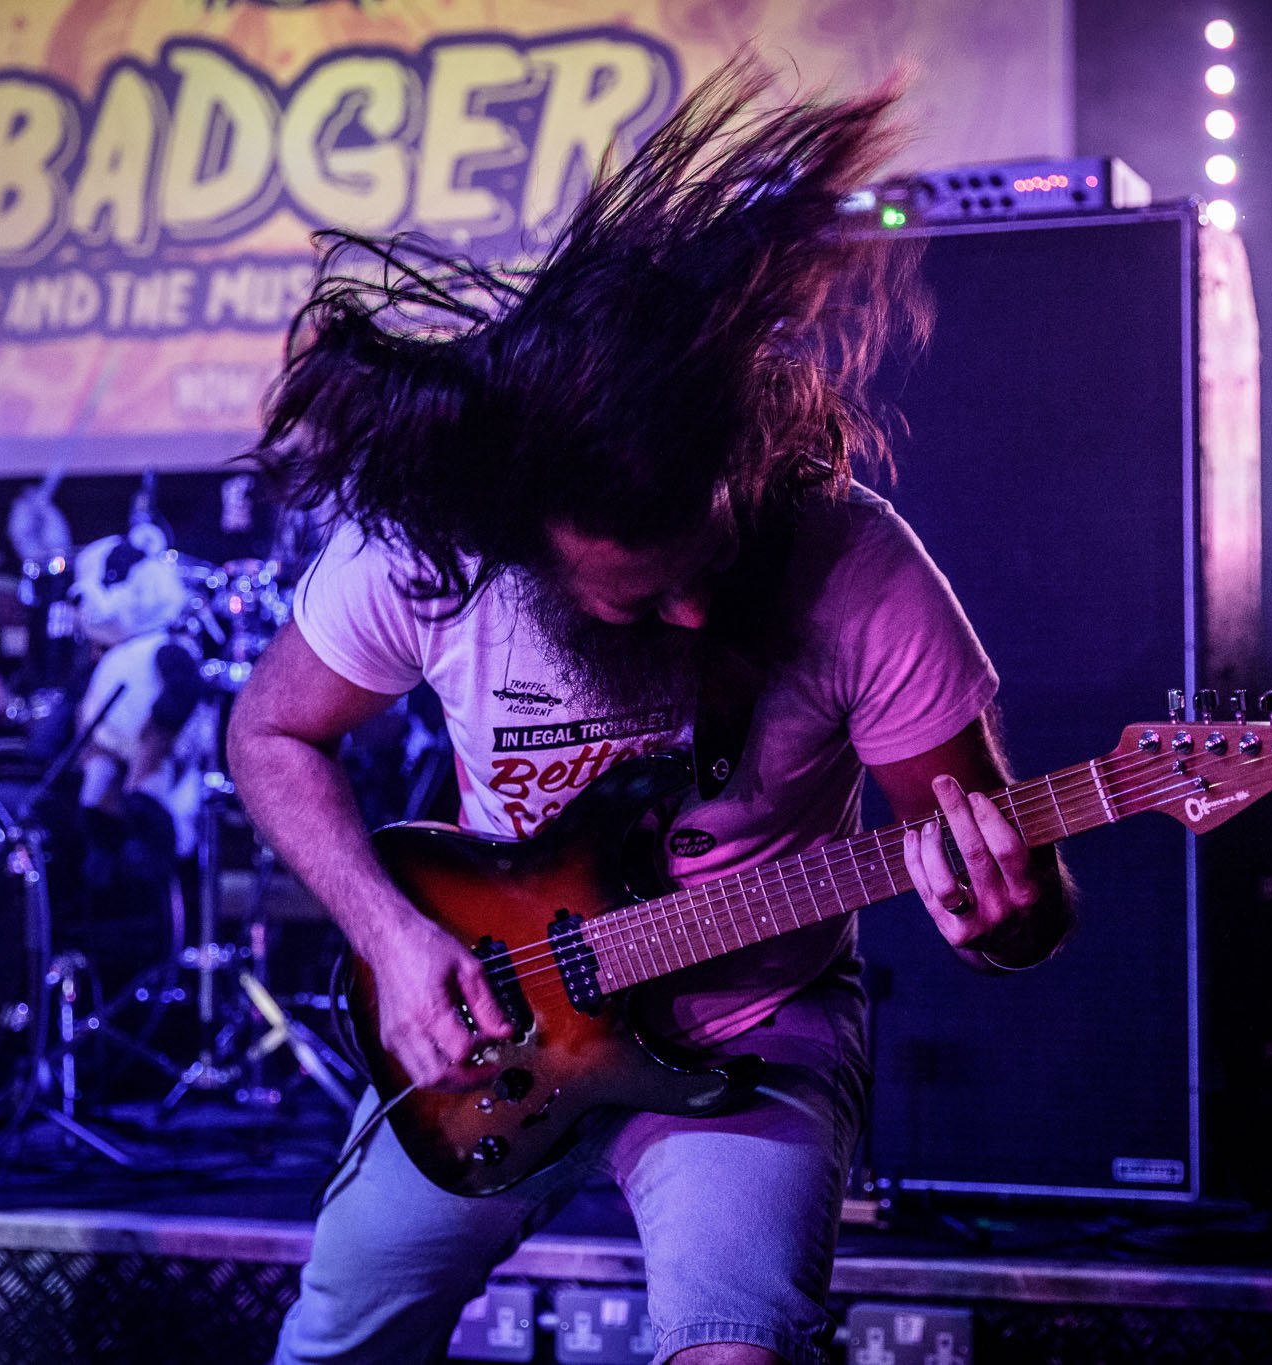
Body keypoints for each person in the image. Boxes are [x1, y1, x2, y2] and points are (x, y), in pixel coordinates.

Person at [230, 54, 1074, 1365]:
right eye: (632, 600)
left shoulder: (860, 567)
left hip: (754, 1028)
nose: (688, 617)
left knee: (734, 1348)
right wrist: (394, 938)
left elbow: (1014, 897)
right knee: (337, 1344)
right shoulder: (426, 557)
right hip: (495, 1026)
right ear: (522, 541)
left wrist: (1006, 910)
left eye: (708, 568)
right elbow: (269, 732)